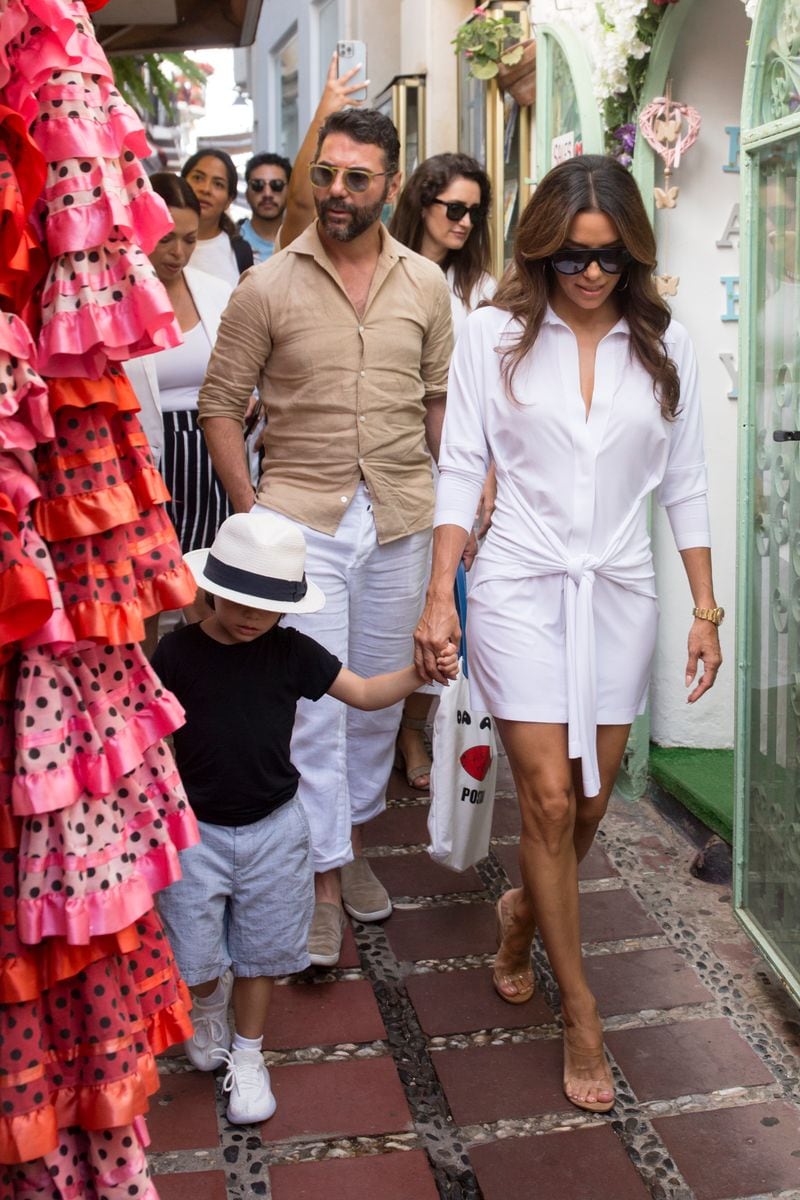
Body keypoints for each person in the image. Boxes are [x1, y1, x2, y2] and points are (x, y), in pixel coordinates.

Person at [413, 154, 723, 1115]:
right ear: (541, 251)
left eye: (610, 258)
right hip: (517, 582)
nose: (591, 275)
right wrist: (440, 594)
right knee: (548, 800)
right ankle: (581, 1012)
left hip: (620, 590)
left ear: (635, 257)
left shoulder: (667, 347)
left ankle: (521, 920)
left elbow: (686, 484)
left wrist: (705, 609)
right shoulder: (492, 336)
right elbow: (460, 466)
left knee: (588, 805)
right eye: (572, 258)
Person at [198, 107, 453, 968]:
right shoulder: (266, 284)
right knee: (313, 711)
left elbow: (437, 403)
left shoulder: (426, 283)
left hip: (400, 519)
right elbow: (220, 405)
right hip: (299, 523)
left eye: (356, 178)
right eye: (326, 174)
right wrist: (251, 515)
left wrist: (462, 501)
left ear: (391, 183)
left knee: (378, 704)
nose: (336, 191)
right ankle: (324, 884)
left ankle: (350, 842)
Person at [153, 512, 457, 1124]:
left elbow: (364, 694)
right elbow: (152, 729)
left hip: (274, 829)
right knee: (193, 952)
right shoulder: (177, 652)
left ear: (288, 606)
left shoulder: (292, 652)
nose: (250, 616)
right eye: (239, 600)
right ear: (211, 588)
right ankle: (209, 1005)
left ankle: (249, 1053)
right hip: (193, 833)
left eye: (267, 606)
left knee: (262, 953)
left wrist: (419, 673)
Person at [388, 153, 496, 791]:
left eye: (475, 212)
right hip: (399, 460)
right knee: (407, 601)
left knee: (452, 598)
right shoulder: (390, 271)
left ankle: (418, 725)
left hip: (463, 464)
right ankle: (394, 727)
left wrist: (487, 477)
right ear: (421, 203)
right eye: (454, 208)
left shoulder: (482, 289)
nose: (464, 222)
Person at [125, 172, 234, 632]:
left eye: (189, 239)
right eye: (166, 238)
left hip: (208, 457)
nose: (178, 252)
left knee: (205, 588)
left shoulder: (214, 291)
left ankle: (202, 675)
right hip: (140, 459)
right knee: (145, 591)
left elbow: (239, 372)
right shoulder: (115, 295)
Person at [181, 148, 253, 285]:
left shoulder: (240, 252)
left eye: (218, 184)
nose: (206, 189)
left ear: (229, 200)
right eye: (198, 178)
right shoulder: (155, 241)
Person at [239, 152, 292, 263]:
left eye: (277, 185)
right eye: (257, 185)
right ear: (247, 194)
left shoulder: (302, 242)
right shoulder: (231, 240)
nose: (267, 194)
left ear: (289, 192)